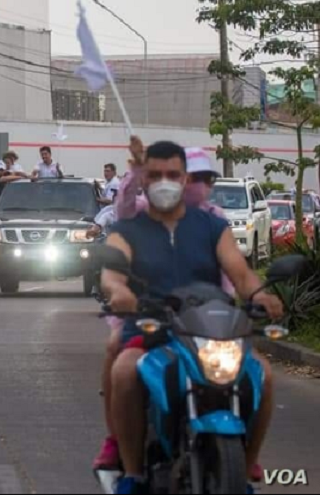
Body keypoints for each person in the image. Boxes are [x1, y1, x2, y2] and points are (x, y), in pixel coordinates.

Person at [101, 141, 282, 495]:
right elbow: (112, 273)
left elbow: (240, 273)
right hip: (153, 329)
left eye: (172, 175)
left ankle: (244, 471)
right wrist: (119, 292)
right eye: (155, 175)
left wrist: (260, 295)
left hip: (211, 330)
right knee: (124, 371)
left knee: (264, 374)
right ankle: (133, 474)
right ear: (144, 179)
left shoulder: (212, 226)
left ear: (185, 179)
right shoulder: (128, 229)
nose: (164, 182)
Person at [93, 139, 232, 472]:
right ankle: (122, 449)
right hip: (146, 320)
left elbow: (233, 274)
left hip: (206, 322)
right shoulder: (139, 218)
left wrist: (244, 303)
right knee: (120, 361)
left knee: (256, 372)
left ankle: (242, 449)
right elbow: (122, 214)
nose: (200, 186)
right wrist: (136, 170)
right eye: (158, 175)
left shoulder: (215, 221)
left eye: (204, 179)